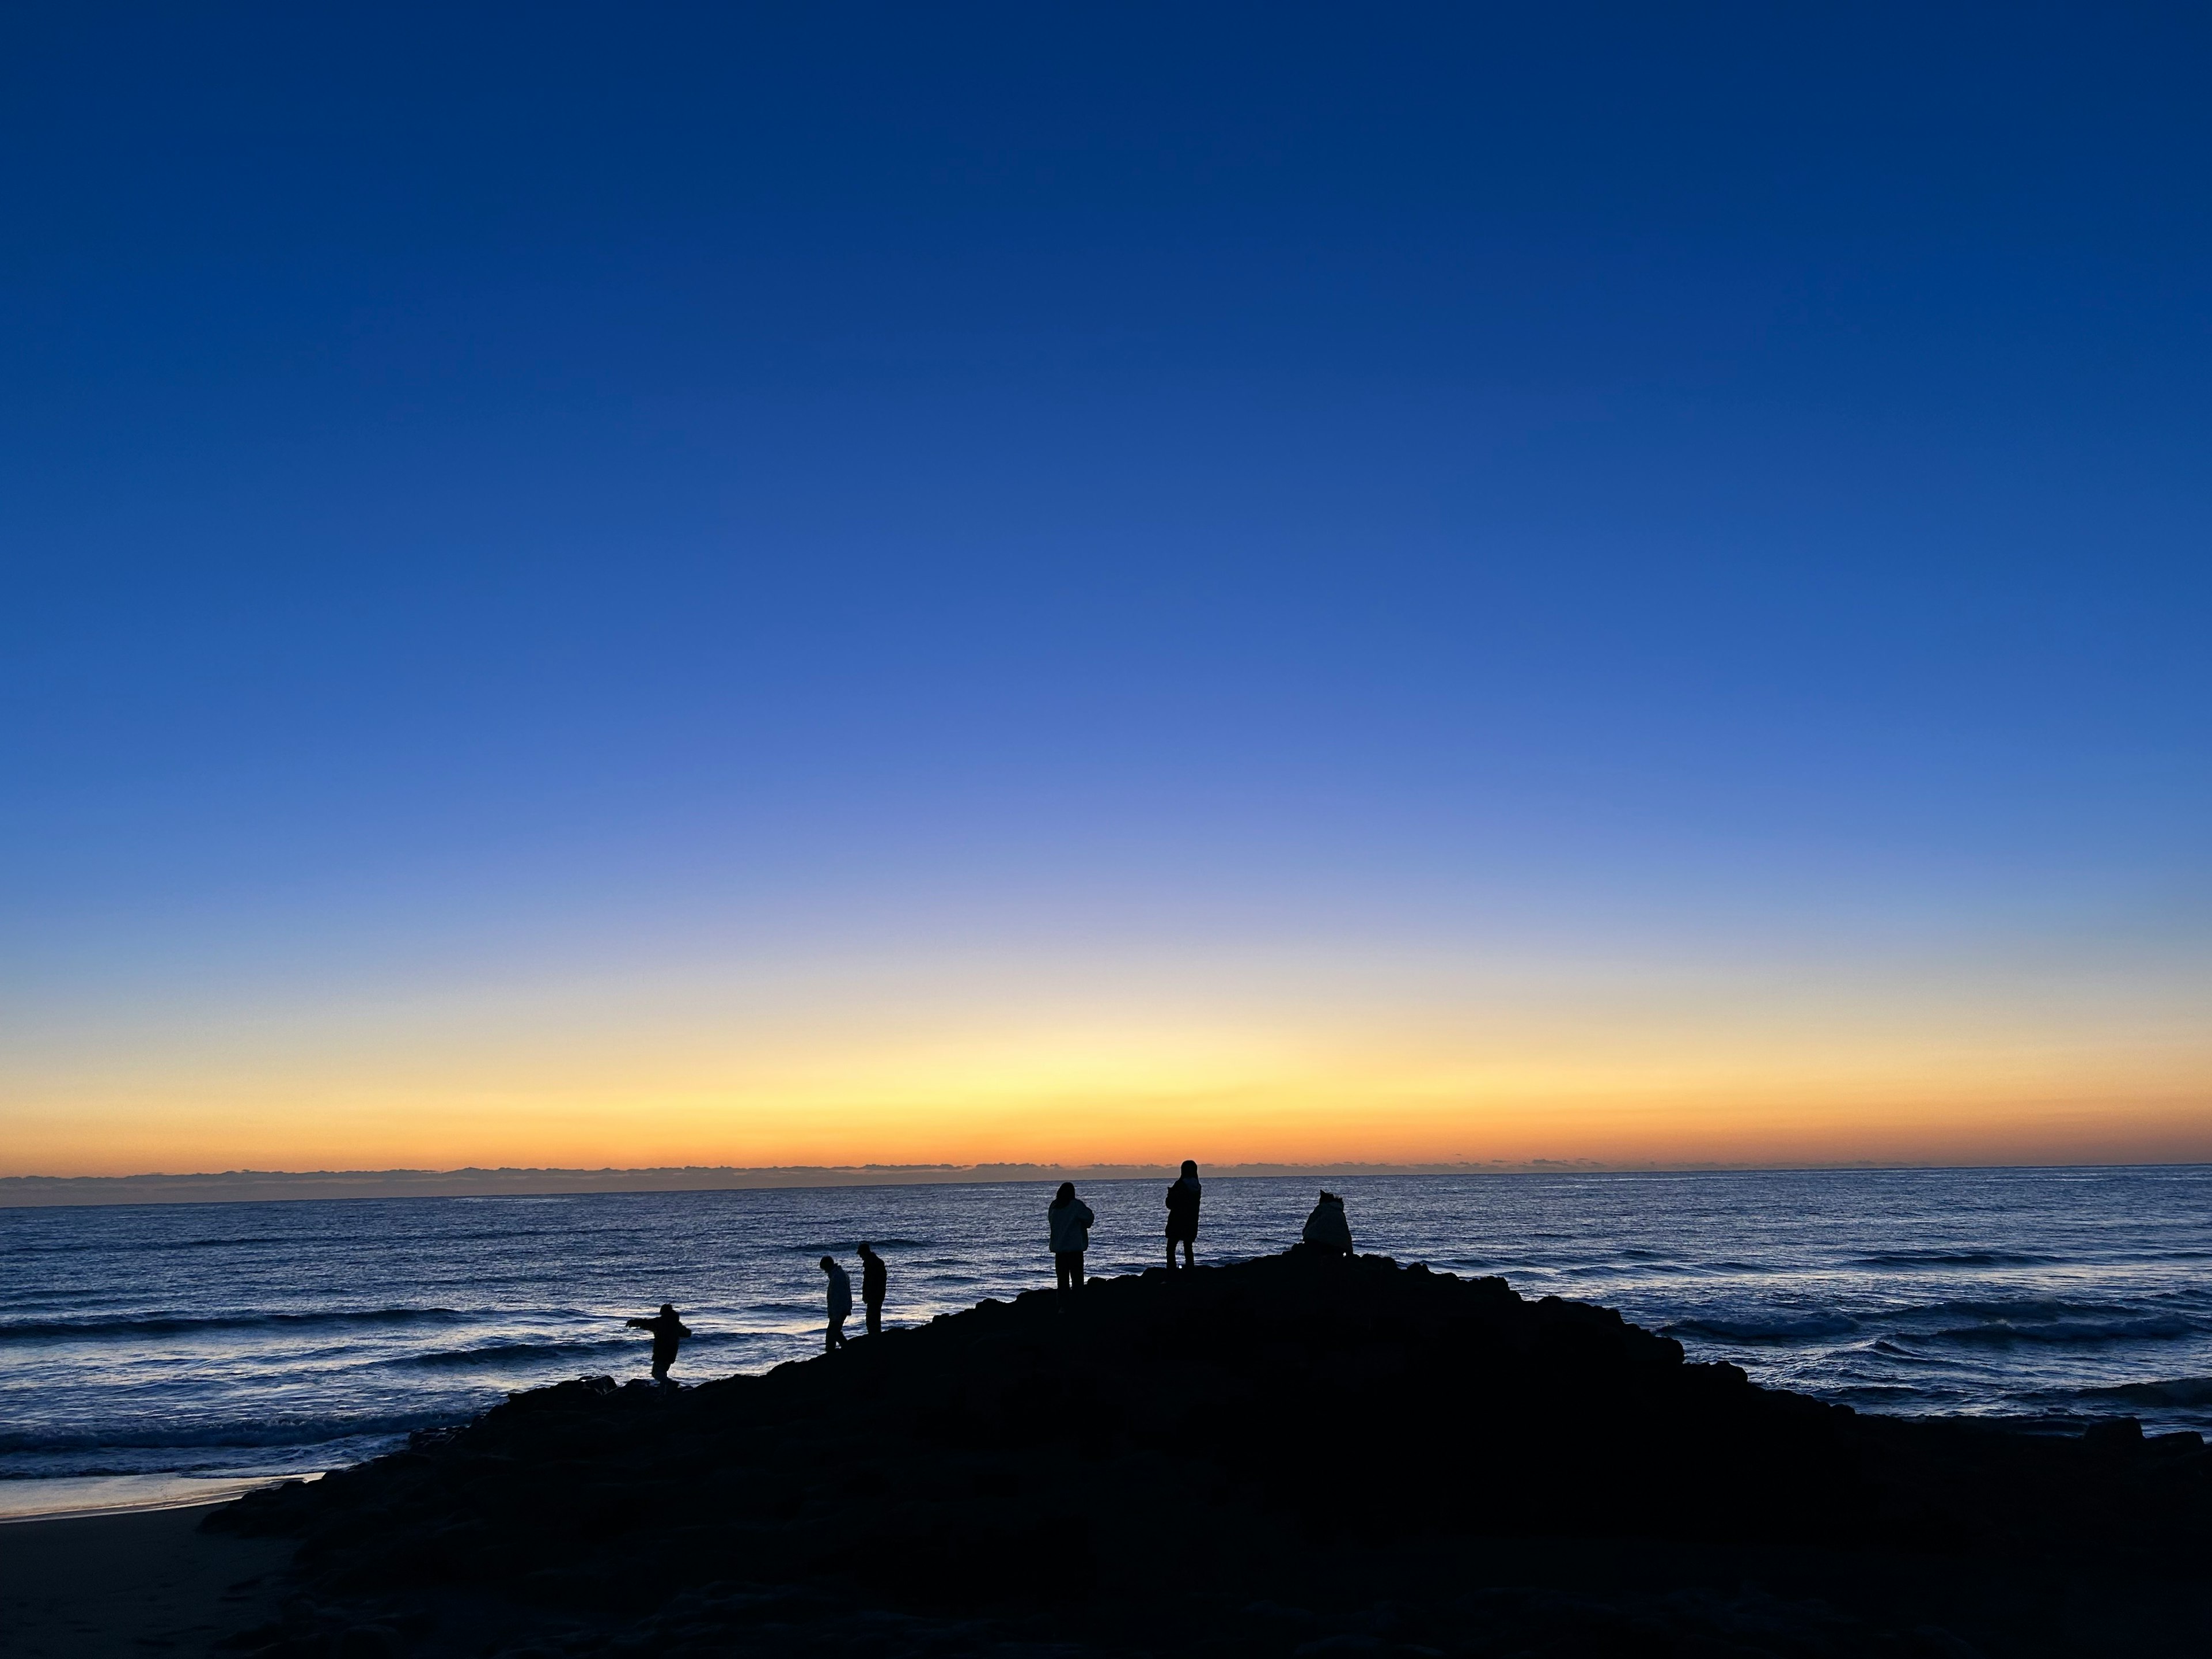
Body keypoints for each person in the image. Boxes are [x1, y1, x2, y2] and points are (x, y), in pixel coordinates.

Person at [1047, 1181, 1096, 1296]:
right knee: (1077, 1279)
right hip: (1075, 1249)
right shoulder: (1075, 1205)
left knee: (1062, 1280)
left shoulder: (1054, 1206)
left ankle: (1063, 1306)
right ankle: (1077, 1304)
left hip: (1059, 1249)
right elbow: (1089, 1218)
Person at [624, 1302, 692, 1382]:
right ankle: (665, 1390)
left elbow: (646, 1323)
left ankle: (670, 1384)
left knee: (656, 1373)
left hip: (661, 1352)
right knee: (663, 1372)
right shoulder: (676, 1324)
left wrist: (633, 1322)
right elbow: (687, 1333)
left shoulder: (660, 1322)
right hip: (672, 1352)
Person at [1164, 1159, 1202, 1268]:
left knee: (1171, 1248)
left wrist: (1171, 1194)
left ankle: (1172, 1272)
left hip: (1178, 1220)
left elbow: (1170, 1204)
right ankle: (1190, 1271)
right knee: (1188, 1247)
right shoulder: (1197, 1187)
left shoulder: (1180, 1185)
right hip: (1191, 1222)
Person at [1302, 1190, 1354, 1256]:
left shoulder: (1322, 1208)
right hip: (1342, 1247)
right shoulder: (1340, 1213)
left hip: (1318, 1242)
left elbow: (1307, 1227)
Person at [820, 1255, 852, 1351]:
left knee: (833, 1333)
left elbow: (838, 1297)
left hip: (838, 1311)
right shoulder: (839, 1274)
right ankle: (842, 1349)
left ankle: (846, 1349)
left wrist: (836, 1314)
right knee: (834, 1332)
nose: (825, 1271)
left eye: (825, 1268)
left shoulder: (837, 1277)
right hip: (840, 1310)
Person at [858, 1240, 887, 1336]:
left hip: (874, 1295)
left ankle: (874, 1335)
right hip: (877, 1294)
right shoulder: (875, 1262)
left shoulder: (872, 1264)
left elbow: (870, 1282)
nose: (860, 1256)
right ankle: (875, 1334)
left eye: (861, 1254)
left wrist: (867, 1294)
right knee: (874, 1316)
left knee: (872, 1317)